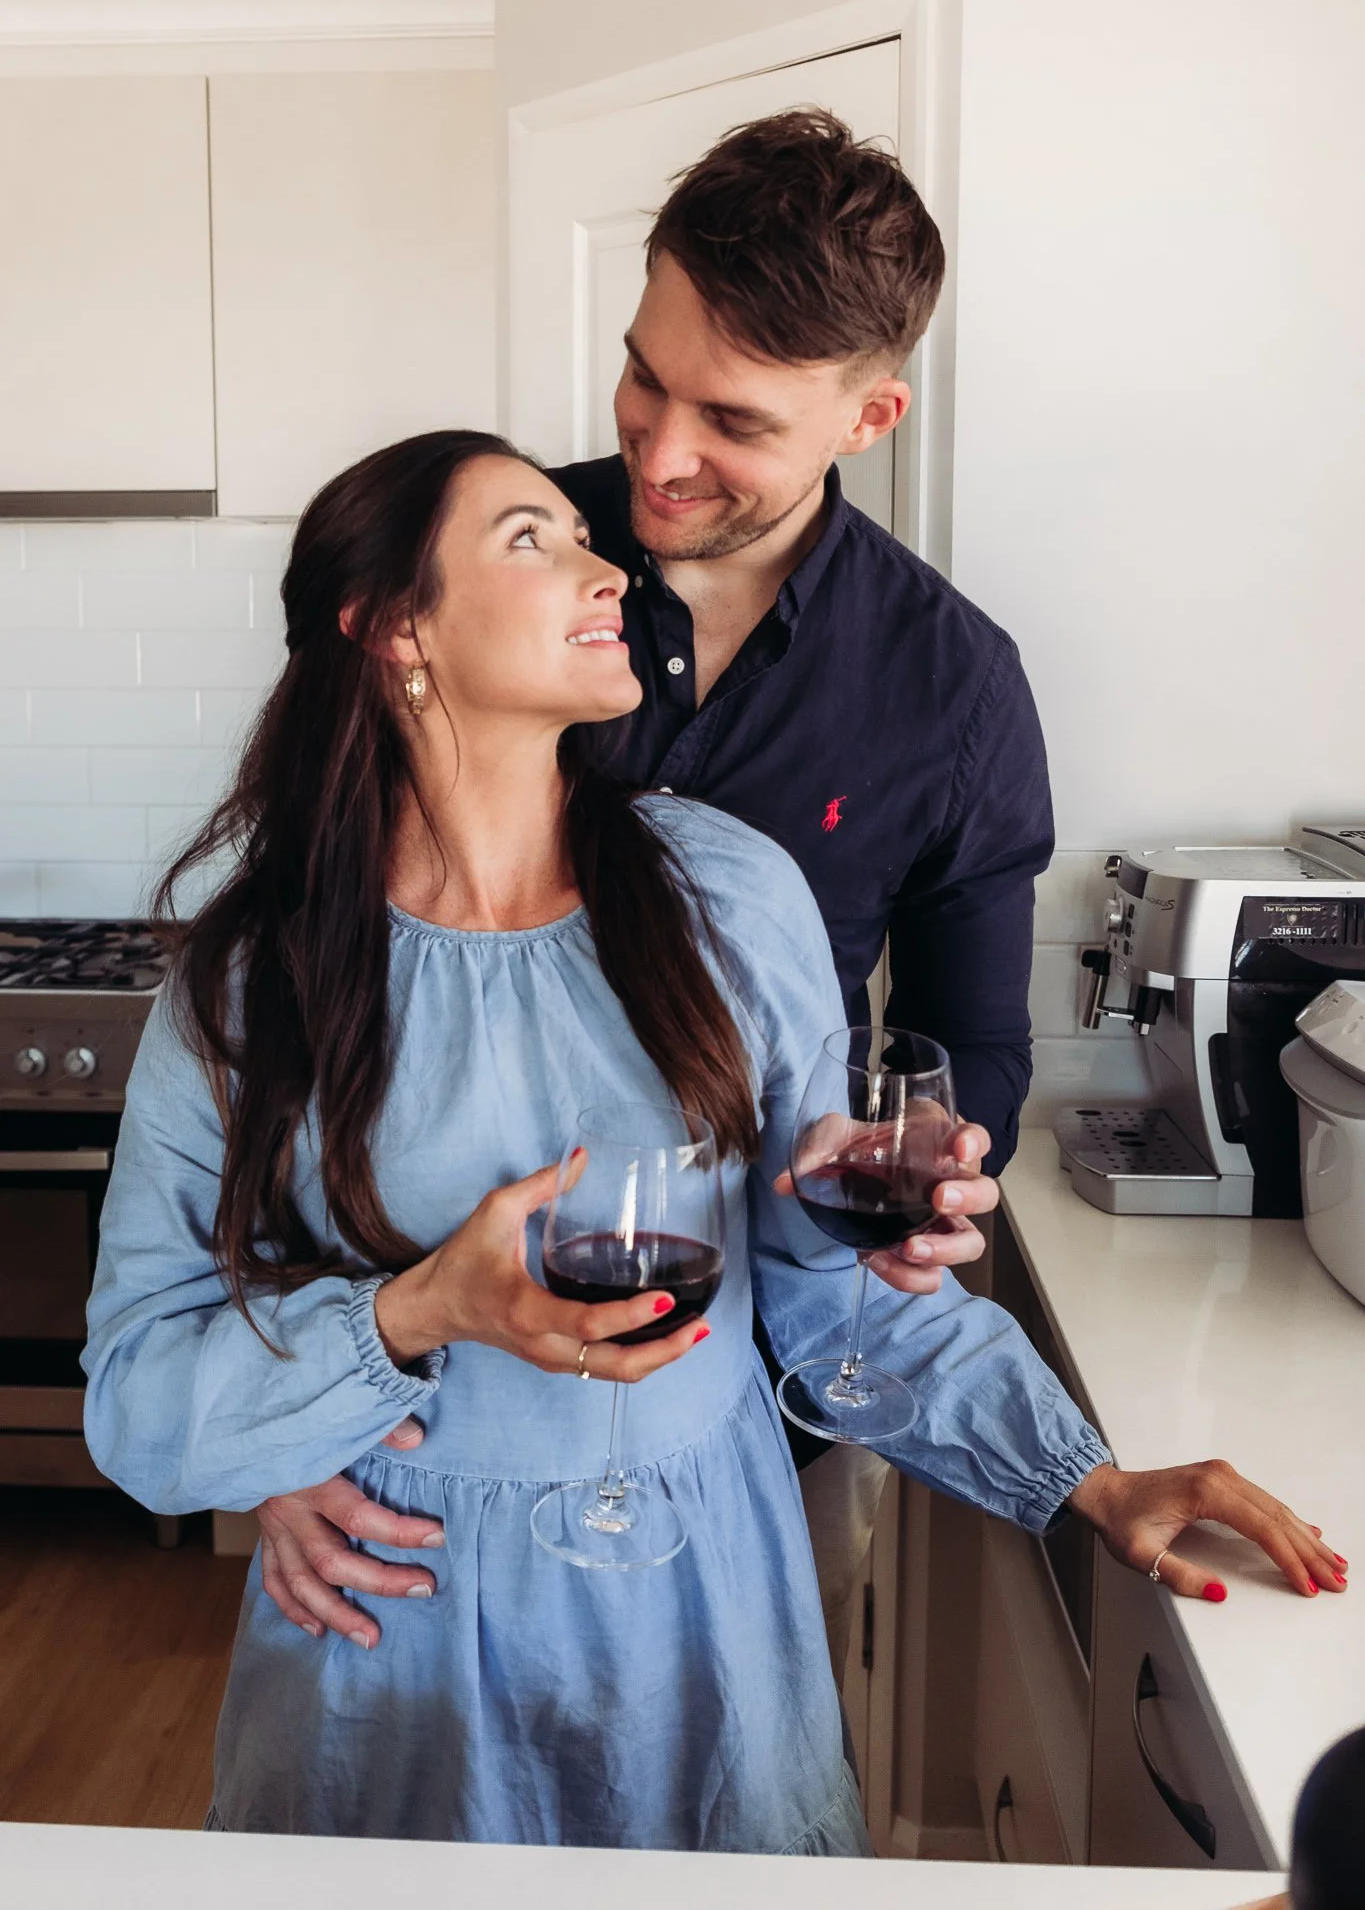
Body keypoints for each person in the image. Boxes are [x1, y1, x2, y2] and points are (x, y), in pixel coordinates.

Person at [252, 112, 1348, 1670]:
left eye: (734, 420)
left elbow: (968, 1047)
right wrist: (286, 1428)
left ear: (870, 416)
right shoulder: (488, 567)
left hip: (774, 1375)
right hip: (411, 1431)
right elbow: (295, 983)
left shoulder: (953, 688)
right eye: (645, 373)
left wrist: (926, 1186)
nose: (655, 449)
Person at [86, 428, 1133, 1847]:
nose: (604, 566)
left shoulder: (729, 897)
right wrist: (414, 1315)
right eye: (534, 541)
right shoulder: (247, 986)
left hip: (703, 1644)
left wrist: (1092, 1480)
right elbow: (141, 1401)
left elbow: (836, 1315)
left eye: (582, 540)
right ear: (396, 629)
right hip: (396, 1644)